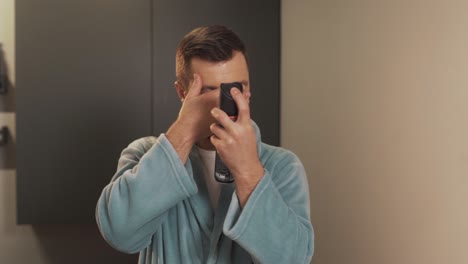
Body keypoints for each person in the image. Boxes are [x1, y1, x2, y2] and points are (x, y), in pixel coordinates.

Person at [96, 25, 314, 264]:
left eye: (238, 88)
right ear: (182, 92)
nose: (226, 103)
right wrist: (183, 130)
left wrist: (249, 171)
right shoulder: (143, 155)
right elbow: (119, 234)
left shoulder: (283, 166)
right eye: (211, 90)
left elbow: (293, 259)